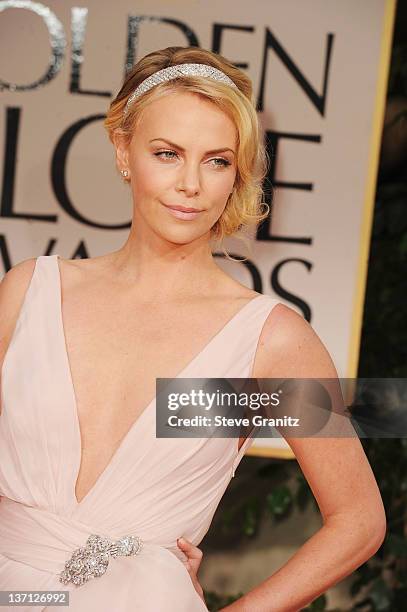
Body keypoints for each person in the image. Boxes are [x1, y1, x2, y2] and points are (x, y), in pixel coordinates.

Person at [0, 45, 386, 611]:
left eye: (217, 160)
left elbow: (359, 520)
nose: (191, 184)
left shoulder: (269, 341)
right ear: (123, 151)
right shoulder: (29, 291)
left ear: (238, 173)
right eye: (167, 152)